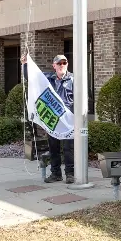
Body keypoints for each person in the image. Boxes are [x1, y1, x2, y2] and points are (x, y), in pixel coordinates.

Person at [21, 54, 75, 184]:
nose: (62, 65)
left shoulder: (73, 79)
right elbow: (32, 78)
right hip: (53, 120)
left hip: (68, 120)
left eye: (64, 63)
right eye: (59, 63)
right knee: (53, 148)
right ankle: (56, 173)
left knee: (69, 149)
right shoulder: (48, 78)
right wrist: (25, 64)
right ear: (54, 66)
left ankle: (70, 174)